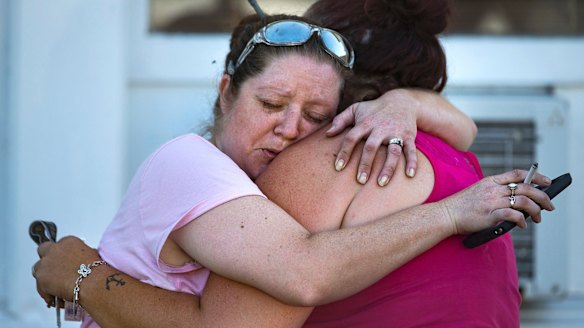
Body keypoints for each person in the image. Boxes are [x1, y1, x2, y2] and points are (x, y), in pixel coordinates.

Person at [33, 5, 553, 328]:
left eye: (316, 116)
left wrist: (83, 276)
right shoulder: (187, 161)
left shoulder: (315, 162)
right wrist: (82, 276)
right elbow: (301, 272)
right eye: (271, 103)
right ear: (225, 93)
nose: (290, 129)